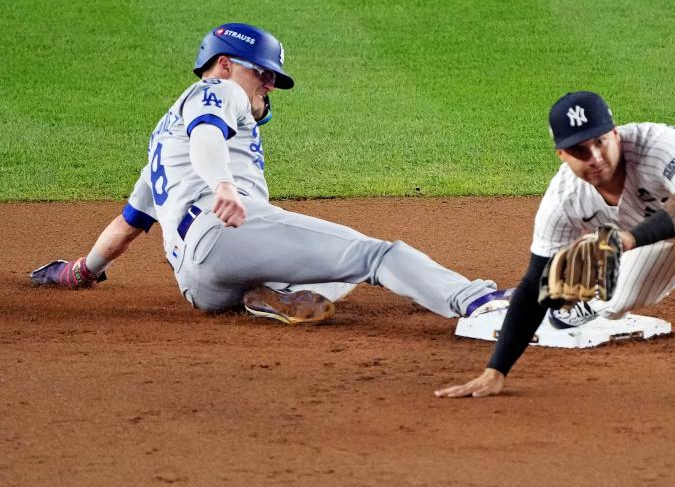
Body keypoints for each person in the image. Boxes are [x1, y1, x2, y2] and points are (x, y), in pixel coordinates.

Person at [30, 23, 510, 324]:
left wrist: (79, 273)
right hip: (224, 233)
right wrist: (222, 184)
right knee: (376, 255)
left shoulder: (162, 146)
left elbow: (127, 226)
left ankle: (266, 294)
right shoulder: (217, 92)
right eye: (261, 73)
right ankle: (476, 301)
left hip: (201, 289)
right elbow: (208, 136)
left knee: (328, 267)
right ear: (223, 65)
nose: (268, 85)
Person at [436, 91, 675, 407]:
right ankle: (593, 303)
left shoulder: (656, 146)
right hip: (670, 228)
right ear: (562, 155)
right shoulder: (564, 198)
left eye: (601, 141)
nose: (595, 156)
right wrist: (496, 370)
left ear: (615, 133)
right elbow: (536, 280)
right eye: (580, 150)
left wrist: (628, 239)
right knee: (620, 296)